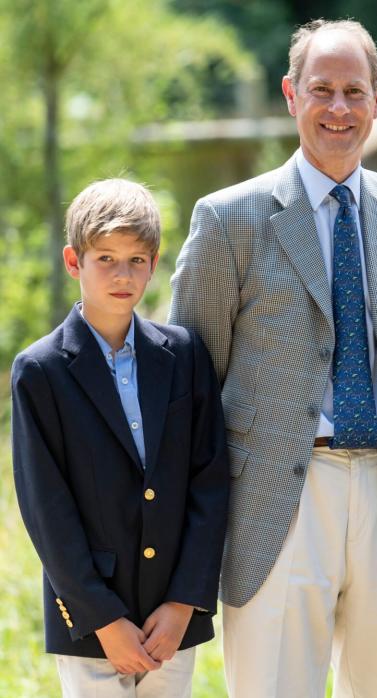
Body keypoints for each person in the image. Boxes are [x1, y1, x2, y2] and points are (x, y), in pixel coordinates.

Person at [168, 18, 377, 697]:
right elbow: (189, 380)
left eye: (355, 91)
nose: (339, 108)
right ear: (291, 95)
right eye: (321, 89)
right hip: (274, 502)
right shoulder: (228, 219)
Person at [11, 179, 229, 697]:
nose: (122, 274)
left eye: (136, 260)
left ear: (154, 264)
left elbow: (210, 482)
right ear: (73, 262)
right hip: (92, 621)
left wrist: (183, 604)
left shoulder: (184, 355)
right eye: (105, 258)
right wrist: (102, 618)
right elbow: (47, 508)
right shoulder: (40, 371)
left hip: (170, 620)